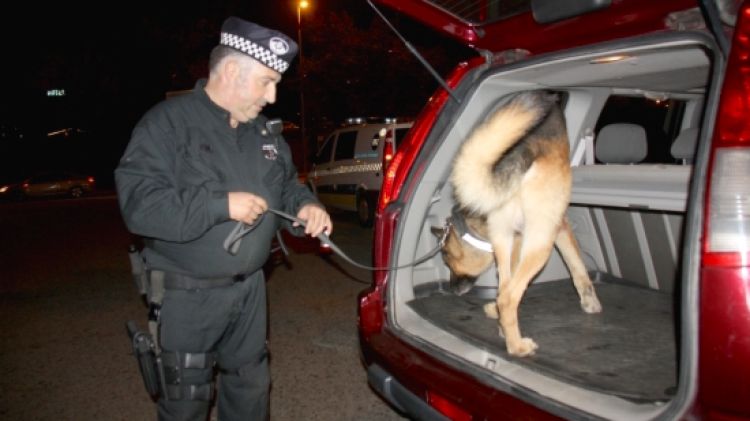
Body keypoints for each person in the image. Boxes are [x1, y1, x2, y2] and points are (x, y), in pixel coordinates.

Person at [115, 16, 332, 421]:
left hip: (250, 292)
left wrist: (306, 206)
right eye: (266, 82)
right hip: (188, 296)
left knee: (251, 392)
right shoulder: (166, 124)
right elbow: (139, 205)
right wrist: (220, 205)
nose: (271, 97)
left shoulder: (264, 133)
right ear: (231, 70)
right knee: (186, 402)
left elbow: (287, 185)